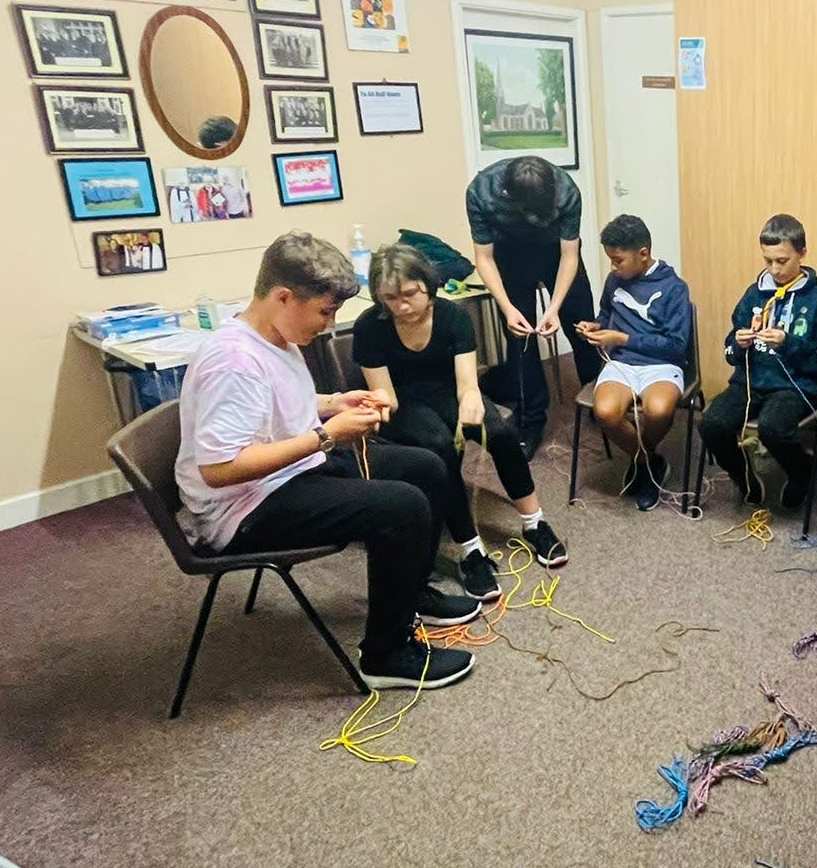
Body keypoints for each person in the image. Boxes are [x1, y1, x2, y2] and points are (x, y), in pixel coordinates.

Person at [175, 232, 478, 691]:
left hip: (284, 475)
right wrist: (327, 436)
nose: (330, 322)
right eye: (325, 311)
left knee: (425, 467)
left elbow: (273, 406)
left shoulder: (273, 336)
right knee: (403, 506)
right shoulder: (233, 361)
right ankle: (385, 655)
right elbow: (219, 470)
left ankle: (411, 594)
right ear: (283, 297)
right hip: (240, 511)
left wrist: (334, 402)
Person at [352, 244, 570, 583]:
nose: (401, 305)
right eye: (390, 298)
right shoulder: (369, 326)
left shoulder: (453, 316)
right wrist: (375, 409)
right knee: (439, 445)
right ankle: (470, 548)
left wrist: (471, 398)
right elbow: (386, 397)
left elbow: (467, 384)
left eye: (409, 294)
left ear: (428, 285)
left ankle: (534, 522)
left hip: (448, 389)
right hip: (403, 401)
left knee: (500, 432)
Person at [699, 214, 817, 509]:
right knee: (711, 424)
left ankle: (801, 473)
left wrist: (788, 344)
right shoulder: (753, 295)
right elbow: (730, 352)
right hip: (750, 382)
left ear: (802, 254)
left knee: (773, 428)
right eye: (768, 261)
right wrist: (738, 344)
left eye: (782, 260)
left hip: (797, 387)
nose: (775, 269)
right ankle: (744, 476)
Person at [466, 155, 602, 456]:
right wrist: (506, 307)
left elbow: (569, 255)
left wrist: (554, 308)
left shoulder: (566, 191)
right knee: (520, 338)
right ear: (510, 197)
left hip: (556, 254)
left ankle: (598, 397)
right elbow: (484, 257)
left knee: (583, 326)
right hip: (510, 256)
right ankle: (531, 420)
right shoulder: (481, 192)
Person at [575, 215, 694, 512]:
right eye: (611, 261)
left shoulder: (674, 288)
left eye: (618, 260)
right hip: (622, 363)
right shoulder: (615, 282)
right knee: (605, 412)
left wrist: (623, 338)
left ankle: (642, 463)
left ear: (643, 254)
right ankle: (649, 462)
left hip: (661, 363)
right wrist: (596, 327)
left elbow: (676, 346)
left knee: (659, 410)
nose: (613, 267)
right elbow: (606, 315)